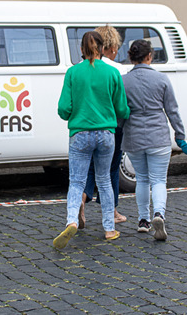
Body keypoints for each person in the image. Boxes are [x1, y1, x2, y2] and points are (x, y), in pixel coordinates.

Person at [54, 31, 129, 249]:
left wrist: (73, 115)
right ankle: (109, 229)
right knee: (104, 181)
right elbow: (122, 108)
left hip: (80, 133)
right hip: (106, 133)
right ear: (103, 48)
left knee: (76, 181)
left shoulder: (73, 73)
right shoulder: (112, 72)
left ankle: (71, 221)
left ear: (81, 49)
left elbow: (63, 109)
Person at [122, 39, 185, 241]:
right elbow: (172, 110)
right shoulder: (162, 80)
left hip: (134, 137)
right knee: (159, 180)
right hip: (158, 136)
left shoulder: (123, 81)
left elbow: (121, 113)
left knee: (142, 178)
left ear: (131, 57)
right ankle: (159, 213)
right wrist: (180, 133)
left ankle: (143, 220)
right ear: (150, 56)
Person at [78, 25, 127, 229]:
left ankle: (83, 197)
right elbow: (122, 104)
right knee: (110, 171)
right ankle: (112, 213)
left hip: (84, 126)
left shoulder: (78, 68)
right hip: (111, 127)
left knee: (89, 169)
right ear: (112, 47)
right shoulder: (117, 70)